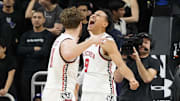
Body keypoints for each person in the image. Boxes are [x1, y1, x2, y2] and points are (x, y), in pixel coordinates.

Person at [42, 7, 102, 101]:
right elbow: (69, 54)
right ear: (80, 24)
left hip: (55, 91)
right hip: (61, 93)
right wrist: (91, 41)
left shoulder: (61, 39)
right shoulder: (68, 42)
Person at [78, 9, 139, 101]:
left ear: (105, 24)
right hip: (87, 91)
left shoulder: (107, 41)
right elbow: (87, 69)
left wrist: (131, 79)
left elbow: (120, 64)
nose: (93, 16)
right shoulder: (88, 42)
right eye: (93, 14)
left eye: (98, 15)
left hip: (103, 92)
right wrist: (77, 83)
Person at [17, 10, 55, 101]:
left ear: (44, 20)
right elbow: (19, 51)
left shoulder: (48, 35)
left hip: (41, 71)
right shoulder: (25, 35)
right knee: (26, 96)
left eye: (39, 17)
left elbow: (45, 52)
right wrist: (34, 49)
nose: (36, 20)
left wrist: (28, 52)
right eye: (34, 17)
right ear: (31, 20)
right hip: (26, 72)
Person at [116, 32, 160, 101]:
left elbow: (147, 79)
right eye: (140, 43)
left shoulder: (153, 61)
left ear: (150, 46)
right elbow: (118, 79)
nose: (142, 45)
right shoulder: (127, 60)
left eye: (145, 43)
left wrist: (137, 59)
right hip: (124, 98)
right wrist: (123, 59)